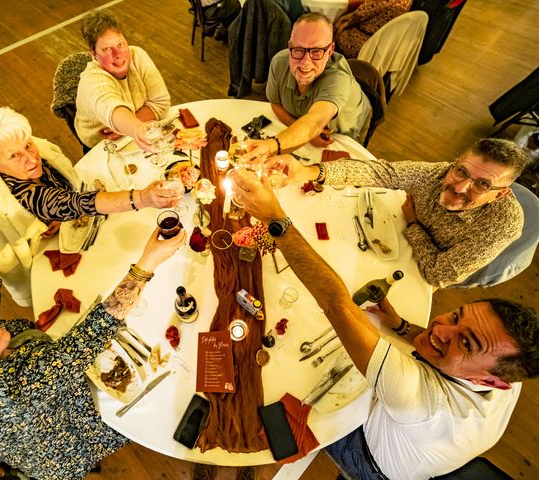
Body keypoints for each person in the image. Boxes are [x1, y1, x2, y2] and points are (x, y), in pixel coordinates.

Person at [231, 169, 539, 479]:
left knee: (281, 391)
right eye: (456, 317)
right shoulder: (507, 369)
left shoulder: (418, 400)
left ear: (490, 382)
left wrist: (276, 218)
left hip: (372, 462)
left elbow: (335, 304)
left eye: (467, 343)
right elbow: (444, 338)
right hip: (429, 447)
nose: (440, 329)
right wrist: (402, 326)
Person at [0, 229, 186, 480]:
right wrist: (145, 264)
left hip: (49, 398)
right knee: (175, 384)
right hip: (74, 442)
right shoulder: (5, 394)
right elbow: (89, 337)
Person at [0, 106, 180, 306]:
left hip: (64, 227)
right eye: (15, 156)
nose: (32, 159)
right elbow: (73, 203)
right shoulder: (14, 195)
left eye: (29, 145)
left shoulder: (14, 143)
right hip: (44, 261)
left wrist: (56, 217)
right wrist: (142, 198)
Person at [262, 138, 530, 288]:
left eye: (482, 184)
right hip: (397, 238)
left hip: (425, 265)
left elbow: (438, 274)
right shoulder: (440, 172)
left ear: (501, 193)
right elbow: (381, 172)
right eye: (461, 171)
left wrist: (413, 226)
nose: (460, 187)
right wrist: (309, 171)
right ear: (456, 162)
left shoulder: (503, 223)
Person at [247, 12, 372, 156]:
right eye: (298, 50)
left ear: (330, 51)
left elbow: (315, 122)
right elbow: (275, 104)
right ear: (289, 46)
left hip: (341, 137)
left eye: (316, 51)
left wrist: (269, 147)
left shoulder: (339, 79)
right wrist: (309, 134)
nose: (305, 62)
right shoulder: (279, 62)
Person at [75, 10, 171, 150]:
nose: (117, 55)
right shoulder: (91, 80)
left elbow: (161, 102)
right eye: (107, 49)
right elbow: (111, 108)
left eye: (120, 45)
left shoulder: (137, 55)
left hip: (135, 132)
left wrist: (128, 127)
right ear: (93, 53)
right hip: (103, 147)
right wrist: (136, 128)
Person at [334, 0, 413, 59]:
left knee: (332, 24)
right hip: (379, 45)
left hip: (358, 42)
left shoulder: (385, 1)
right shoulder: (407, 2)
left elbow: (359, 14)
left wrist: (342, 21)